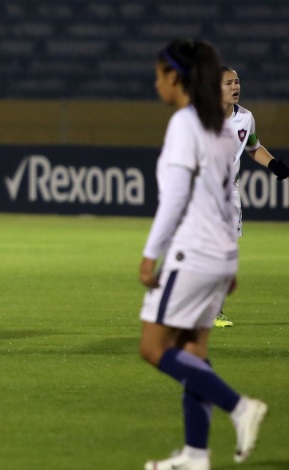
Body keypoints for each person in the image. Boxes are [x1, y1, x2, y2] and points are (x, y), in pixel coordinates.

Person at [138, 39, 267, 470]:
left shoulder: (186, 123)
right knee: (193, 352)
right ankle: (195, 453)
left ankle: (239, 407)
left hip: (193, 251)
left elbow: (176, 198)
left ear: (175, 77)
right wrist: (230, 259)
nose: (156, 83)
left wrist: (150, 254)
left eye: (159, 75)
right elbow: (227, 197)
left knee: (153, 347)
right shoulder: (221, 127)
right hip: (219, 253)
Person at [214, 66, 289, 328]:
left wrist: (273, 164)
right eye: (228, 83)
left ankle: (214, 311)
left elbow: (253, 146)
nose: (235, 87)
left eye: (237, 82)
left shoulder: (245, 118)